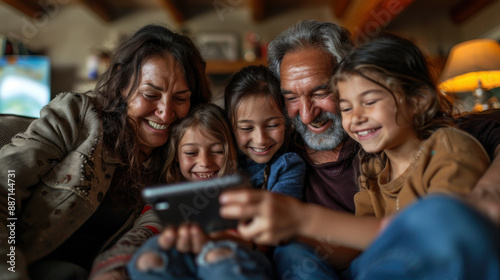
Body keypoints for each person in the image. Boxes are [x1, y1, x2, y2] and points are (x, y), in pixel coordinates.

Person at [220, 34, 500, 280]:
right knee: (291, 253)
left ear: (418, 101)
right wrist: (272, 235)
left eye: (369, 102)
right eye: (347, 107)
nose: (355, 119)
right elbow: (355, 242)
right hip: (377, 264)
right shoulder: (373, 166)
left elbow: (440, 230)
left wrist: (302, 218)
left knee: (434, 215)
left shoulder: (448, 147)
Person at [0, 24, 211, 280]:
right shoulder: (77, 118)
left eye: (180, 98)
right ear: (123, 83)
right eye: (150, 94)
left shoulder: (183, 160)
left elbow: (152, 229)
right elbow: (6, 185)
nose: (166, 113)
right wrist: (9, 269)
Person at [224, 65, 305, 199]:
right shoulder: (220, 160)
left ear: (287, 122)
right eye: (247, 128)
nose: (260, 139)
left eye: (272, 125)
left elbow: (275, 217)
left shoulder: (288, 166)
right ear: (229, 125)